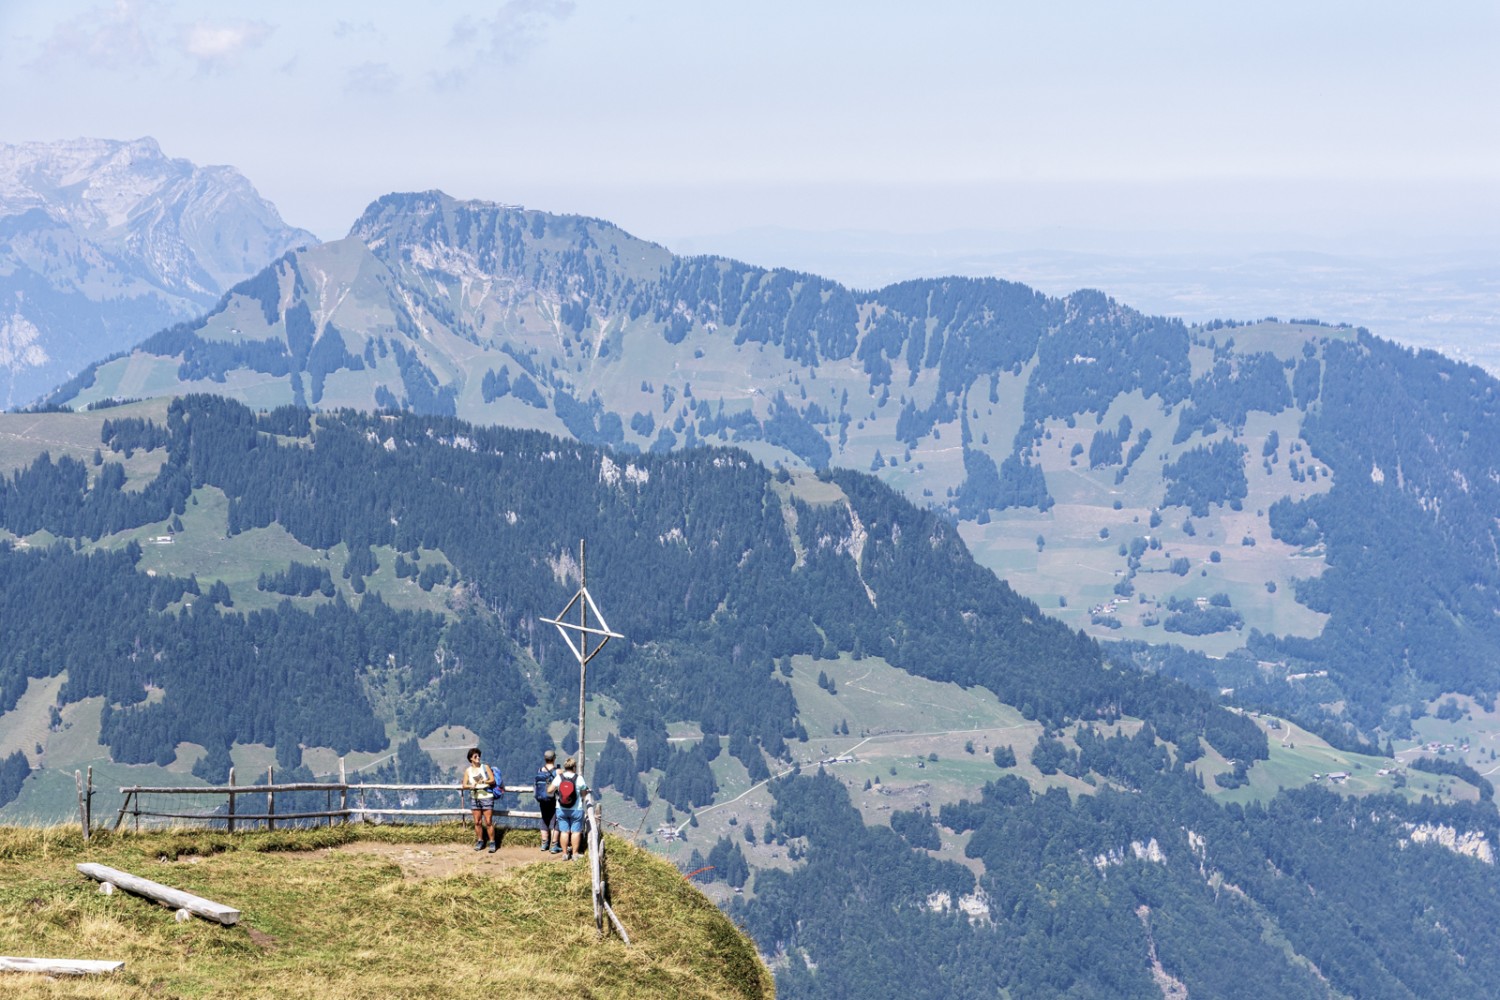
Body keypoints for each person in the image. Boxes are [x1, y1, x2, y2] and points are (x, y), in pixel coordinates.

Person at [547, 756, 590, 860]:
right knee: (575, 832)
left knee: (564, 831)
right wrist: (583, 796)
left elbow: (549, 790)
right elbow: (584, 793)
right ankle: (575, 854)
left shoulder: (560, 777)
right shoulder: (578, 778)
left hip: (561, 809)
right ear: (574, 767)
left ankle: (565, 854)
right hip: (576, 809)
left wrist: (558, 791)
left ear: (565, 767)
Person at [461, 747, 498, 853]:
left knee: (488, 821)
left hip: (486, 797)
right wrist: (470, 786)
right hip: (475, 797)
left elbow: (492, 780)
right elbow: (464, 785)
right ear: (471, 759)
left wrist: (483, 781)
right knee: (477, 822)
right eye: (475, 756)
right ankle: (480, 840)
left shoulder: (485, 767)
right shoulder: (468, 771)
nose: (478, 757)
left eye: (478, 755)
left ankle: (492, 842)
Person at [534, 749, 560, 853]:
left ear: (545, 759)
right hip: (553, 798)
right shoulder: (557, 771)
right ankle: (554, 845)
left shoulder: (540, 770)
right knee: (554, 821)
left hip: (542, 799)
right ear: (554, 758)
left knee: (544, 819)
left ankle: (544, 843)